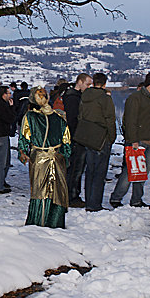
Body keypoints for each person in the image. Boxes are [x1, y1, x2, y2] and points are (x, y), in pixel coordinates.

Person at [18, 87, 71, 228]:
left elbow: (24, 137)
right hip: (56, 157)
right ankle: (55, 222)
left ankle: (38, 222)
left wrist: (22, 152)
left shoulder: (30, 117)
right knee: (57, 191)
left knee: (39, 191)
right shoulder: (59, 117)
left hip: (39, 158)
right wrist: (66, 156)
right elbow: (66, 141)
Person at [109, 72, 150, 209]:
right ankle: (116, 198)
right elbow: (130, 121)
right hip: (138, 142)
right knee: (129, 172)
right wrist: (133, 140)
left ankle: (137, 200)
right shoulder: (136, 98)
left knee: (143, 173)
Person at [74, 72, 116, 212]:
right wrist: (112, 137)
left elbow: (80, 115)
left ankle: (89, 201)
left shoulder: (84, 96)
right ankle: (95, 204)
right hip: (101, 137)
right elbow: (110, 119)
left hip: (88, 137)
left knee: (90, 171)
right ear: (104, 84)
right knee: (100, 172)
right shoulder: (105, 98)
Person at [63, 73, 93, 207]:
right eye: (87, 84)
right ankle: (71, 196)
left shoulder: (74, 96)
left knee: (75, 169)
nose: (89, 87)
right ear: (80, 82)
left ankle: (72, 194)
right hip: (76, 138)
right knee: (75, 169)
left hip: (76, 137)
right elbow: (72, 120)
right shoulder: (73, 98)